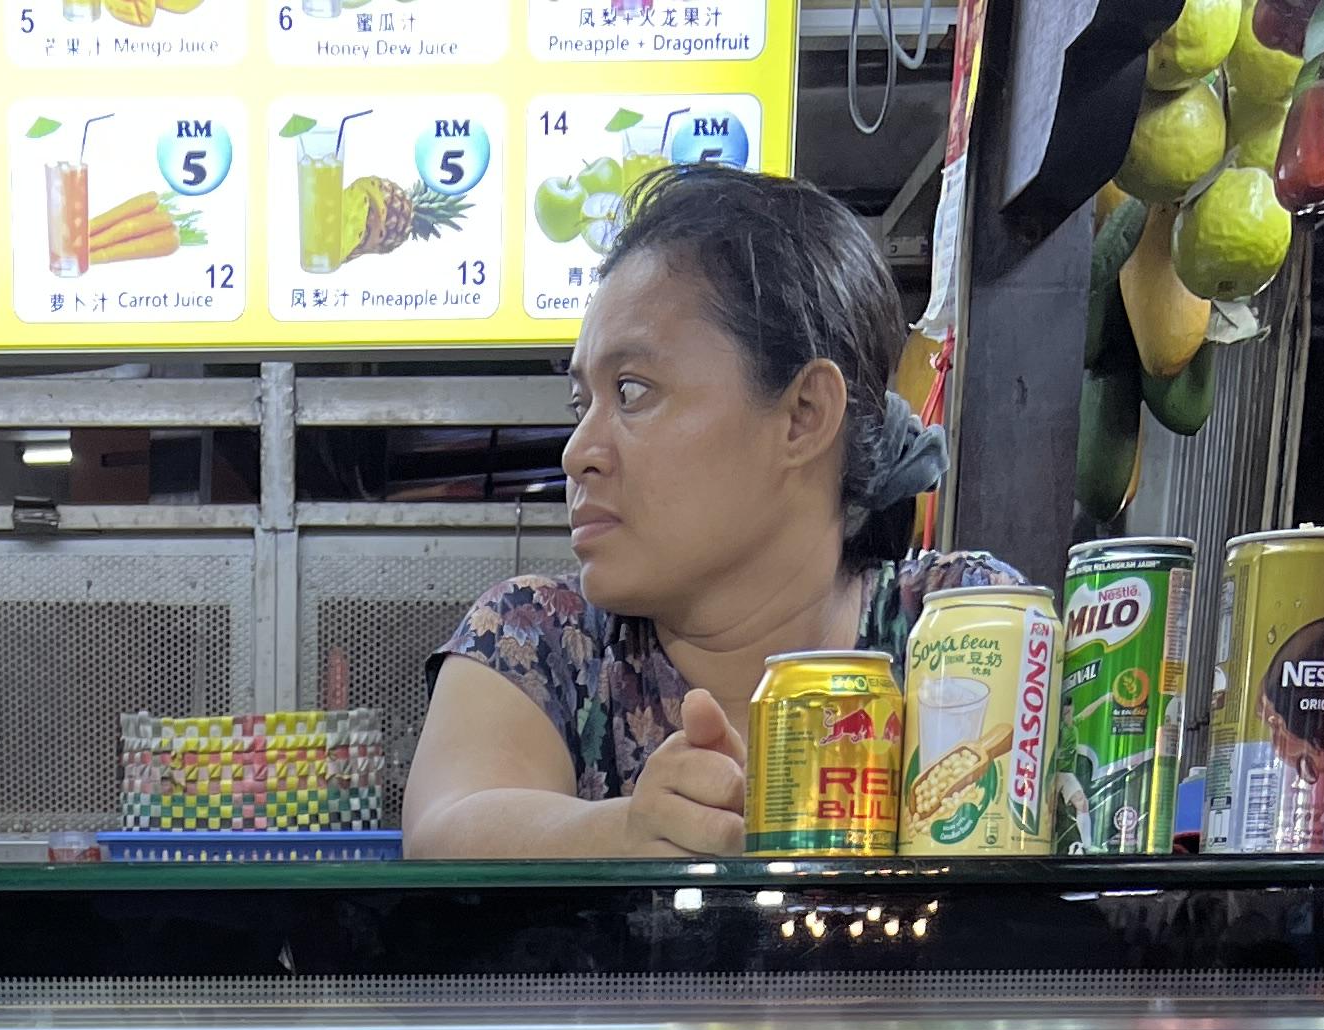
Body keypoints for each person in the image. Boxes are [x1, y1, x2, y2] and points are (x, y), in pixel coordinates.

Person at [401, 166, 1011, 861]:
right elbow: (445, 830)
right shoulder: (536, 637)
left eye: (632, 391)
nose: (577, 453)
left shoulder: (958, 629)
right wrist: (627, 833)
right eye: (582, 404)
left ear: (803, 415)